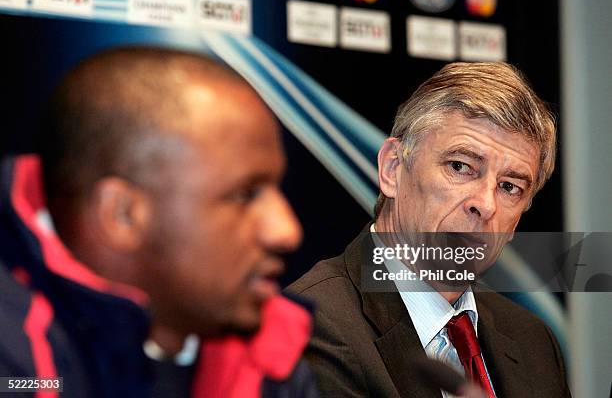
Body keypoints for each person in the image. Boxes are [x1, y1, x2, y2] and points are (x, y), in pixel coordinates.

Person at [0, 47, 318, 397]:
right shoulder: (14, 363)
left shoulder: (270, 354)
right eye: (245, 194)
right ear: (122, 215)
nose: (287, 231)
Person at [288, 62, 571, 397]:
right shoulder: (309, 329)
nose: (486, 204)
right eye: (460, 166)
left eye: (510, 187)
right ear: (393, 168)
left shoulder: (534, 341)